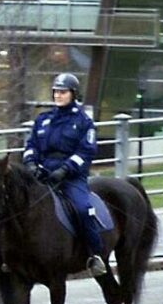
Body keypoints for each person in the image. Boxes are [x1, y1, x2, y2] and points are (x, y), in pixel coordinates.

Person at [23, 73, 105, 276]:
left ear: (73, 94)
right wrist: (31, 163)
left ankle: (95, 255)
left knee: (83, 209)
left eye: (63, 92)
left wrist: (66, 169)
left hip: (70, 177)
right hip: (42, 174)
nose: (58, 96)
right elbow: (31, 145)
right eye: (56, 92)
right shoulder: (43, 120)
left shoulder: (83, 121)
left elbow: (86, 151)